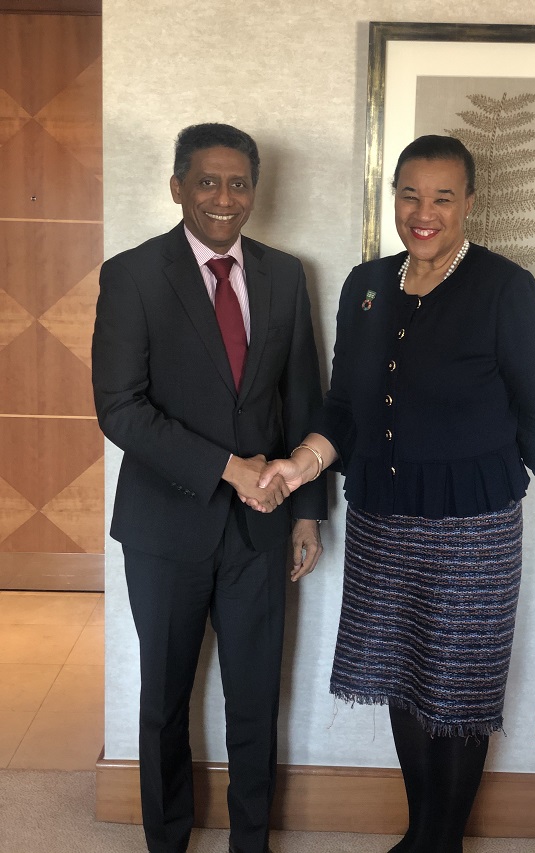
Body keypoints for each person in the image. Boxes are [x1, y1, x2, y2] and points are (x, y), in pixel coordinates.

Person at [254, 136, 535, 853]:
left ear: (469, 203)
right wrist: (302, 463)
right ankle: (420, 834)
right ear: (394, 197)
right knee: (403, 676)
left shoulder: (503, 288)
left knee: (458, 694)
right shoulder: (366, 285)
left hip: (474, 528)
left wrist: (504, 459)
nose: (424, 212)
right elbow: (345, 404)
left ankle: (444, 842)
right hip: (382, 519)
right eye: (410, 194)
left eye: (442, 197)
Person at [91, 122, 327, 853]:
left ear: (254, 190)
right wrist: (229, 466)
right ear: (177, 188)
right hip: (165, 527)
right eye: (207, 182)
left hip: (263, 525)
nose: (224, 198)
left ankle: (250, 841)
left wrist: (308, 514)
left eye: (238, 183)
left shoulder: (285, 275)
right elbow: (120, 408)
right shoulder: (132, 275)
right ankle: (166, 839)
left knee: (255, 699)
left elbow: (304, 398)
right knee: (165, 698)